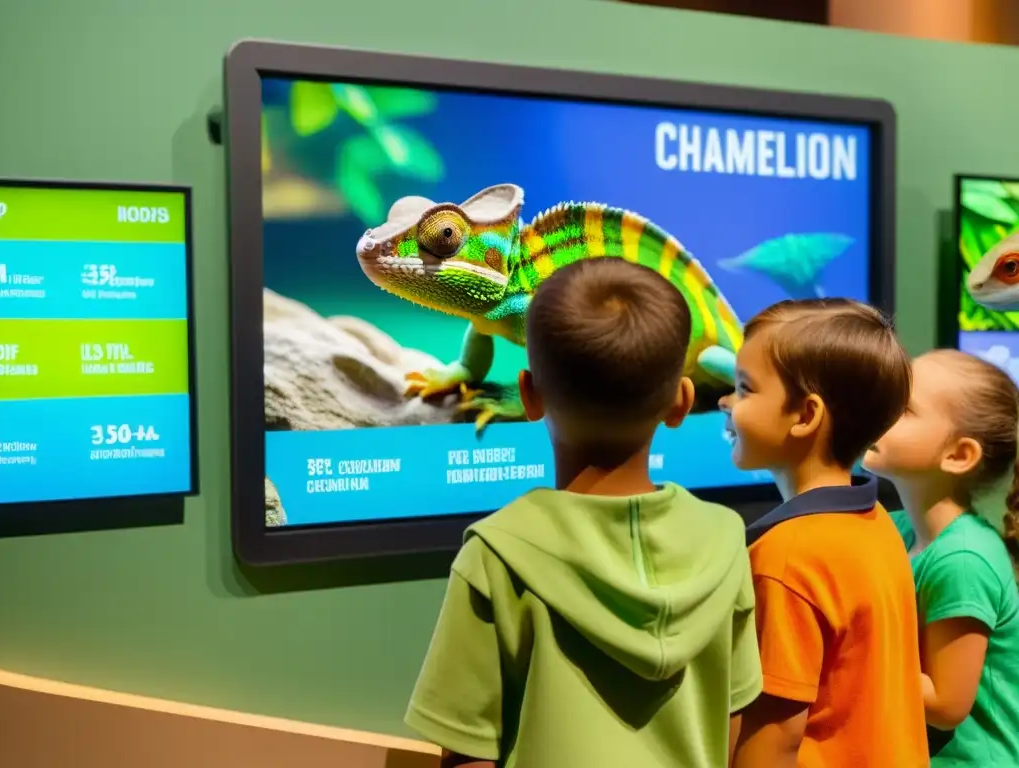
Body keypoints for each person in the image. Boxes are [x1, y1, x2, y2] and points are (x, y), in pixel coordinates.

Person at [405, 258, 763, 768]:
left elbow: (468, 752)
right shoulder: (728, 541)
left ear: (528, 395)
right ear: (682, 403)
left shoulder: (495, 553)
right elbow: (737, 733)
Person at [723, 299, 929, 768]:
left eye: (744, 389)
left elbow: (772, 741)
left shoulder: (786, 558)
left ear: (804, 416)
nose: (726, 402)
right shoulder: (875, 523)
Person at [863, 349, 1019, 766]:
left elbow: (947, 705)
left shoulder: (963, 559)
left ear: (958, 455)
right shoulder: (893, 527)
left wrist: (850, 658)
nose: (879, 410)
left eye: (903, 408)